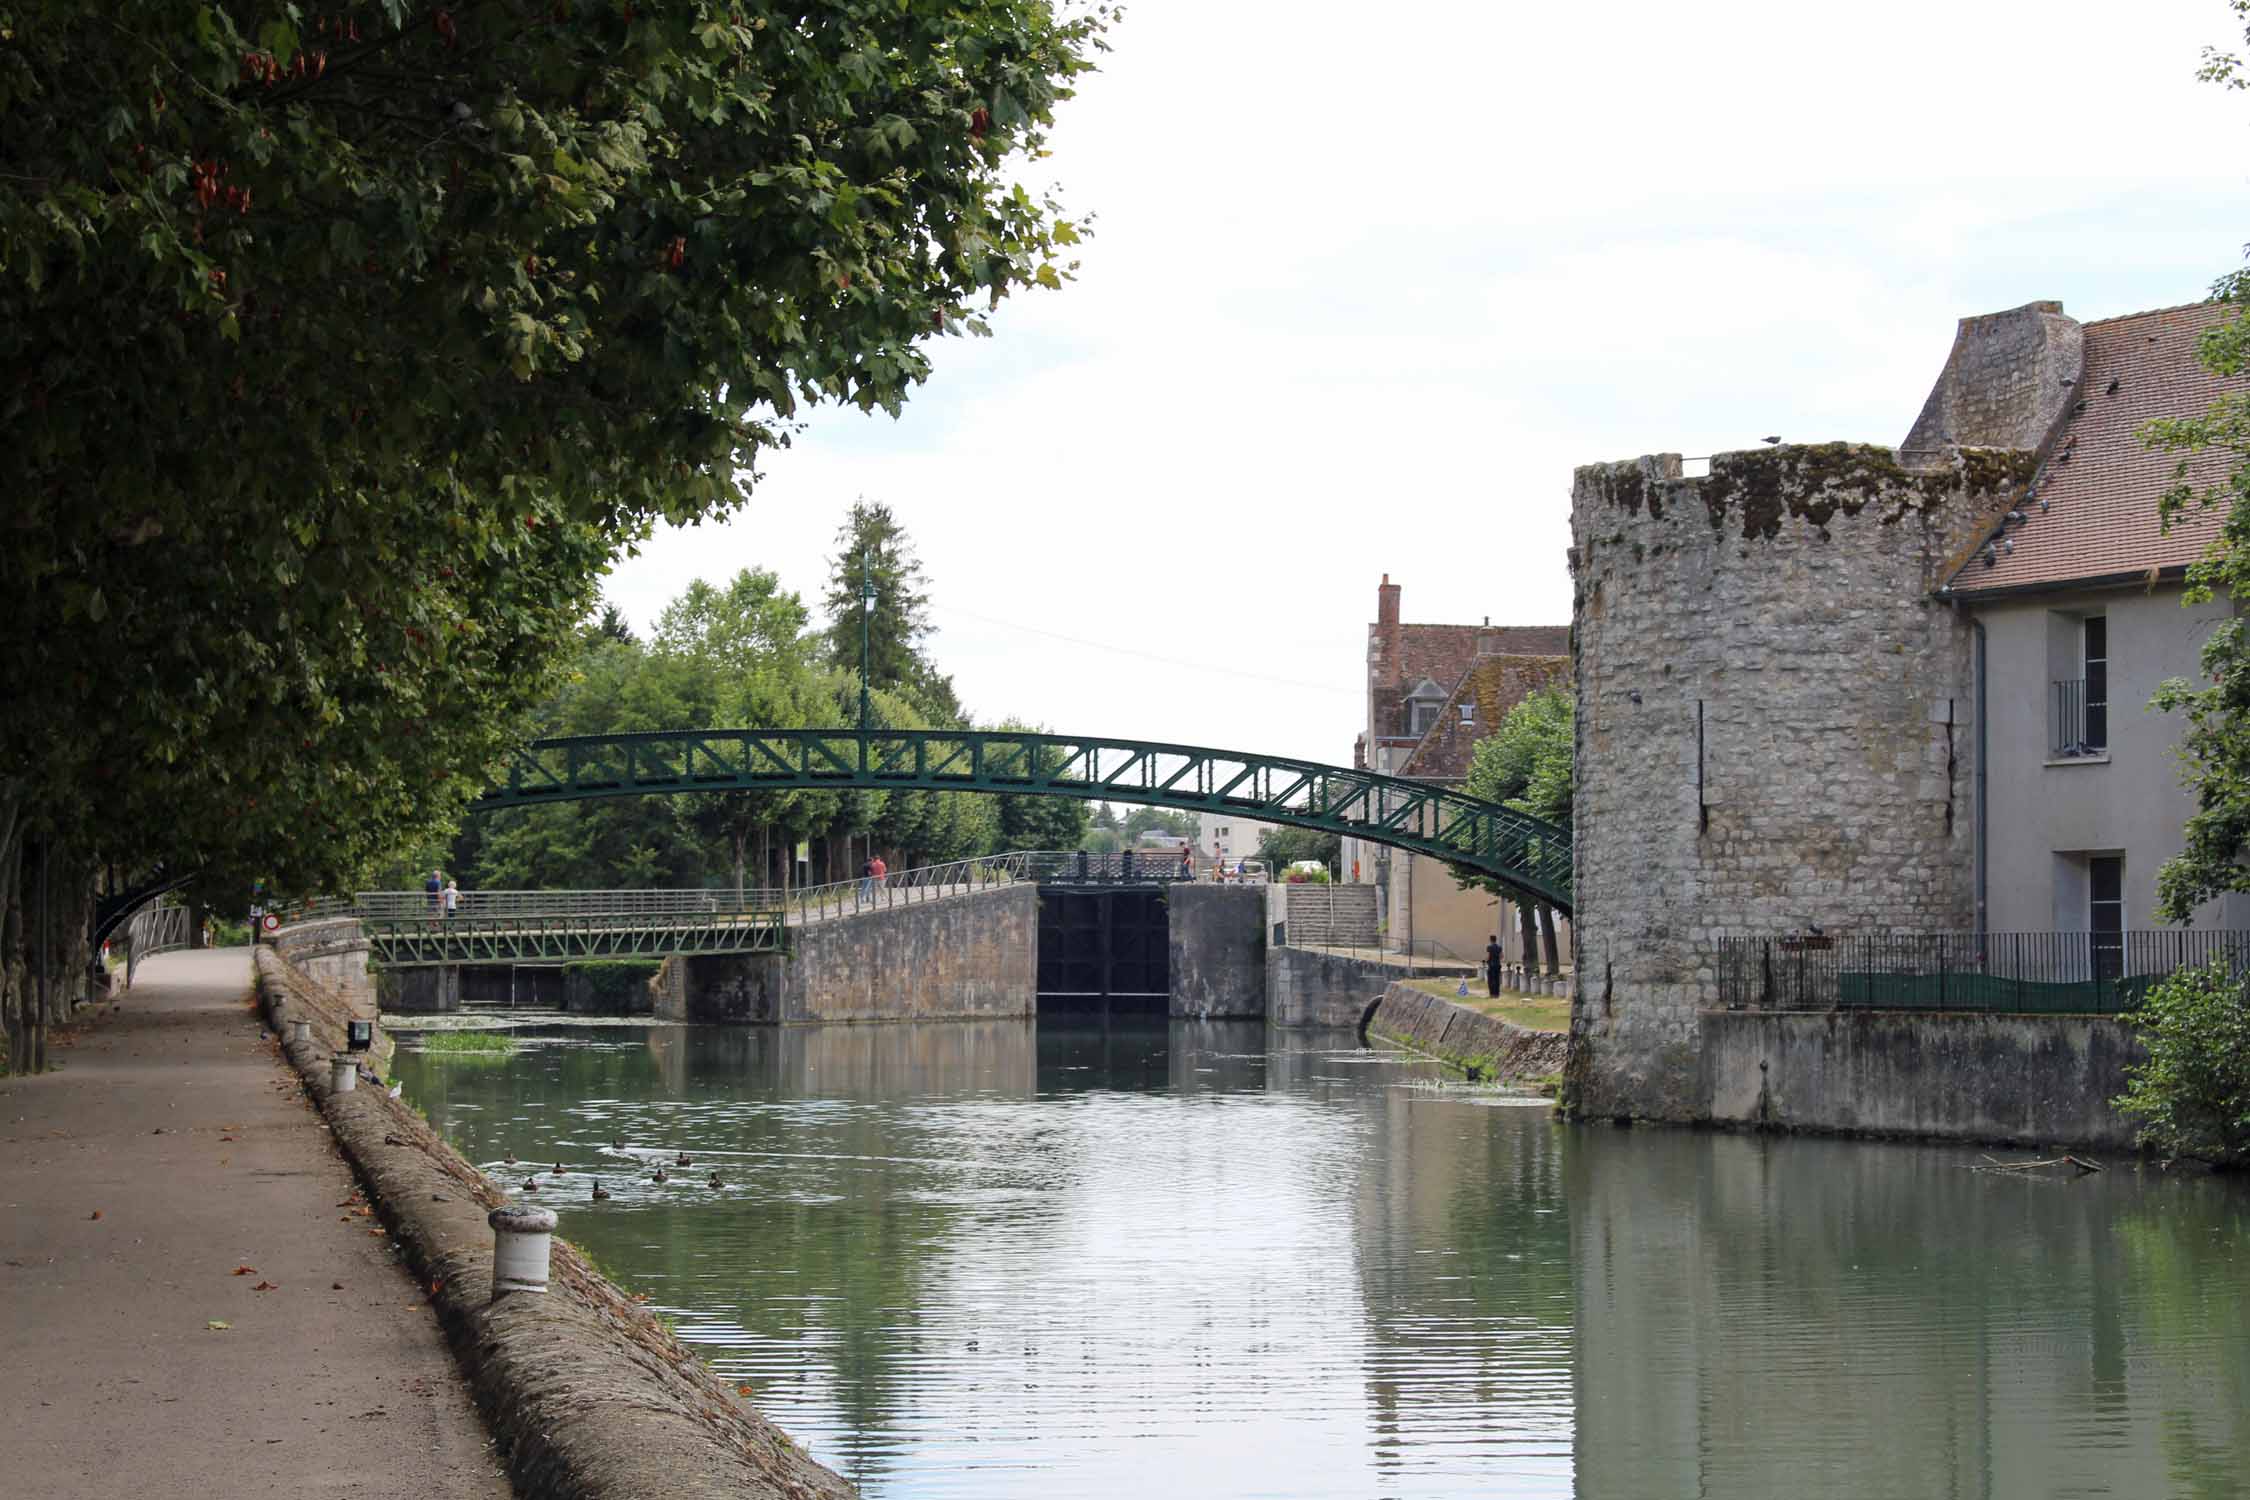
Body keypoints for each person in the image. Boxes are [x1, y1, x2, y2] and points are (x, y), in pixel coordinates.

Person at [1485, 933, 1504, 1000]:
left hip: (1491, 965)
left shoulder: (1489, 947)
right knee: (1497, 979)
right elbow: (1502, 956)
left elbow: (1488, 956)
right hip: (1498, 965)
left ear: (1490, 940)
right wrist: (1497, 957)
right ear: (1496, 940)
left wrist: (1486, 961)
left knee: (1490, 980)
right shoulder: (1499, 947)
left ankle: (1492, 994)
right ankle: (1497, 994)